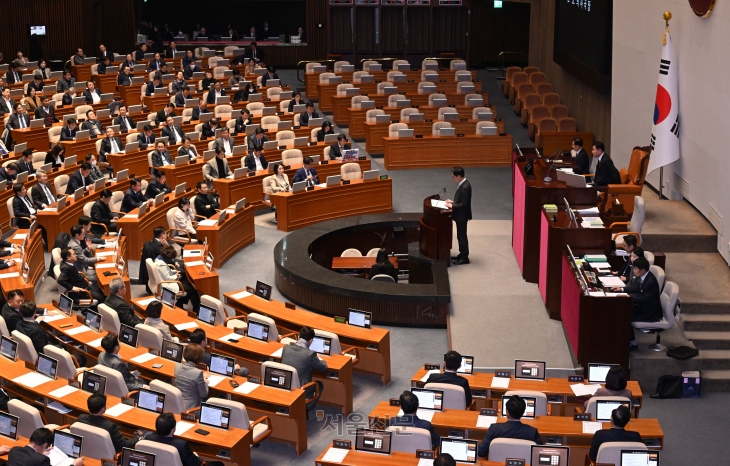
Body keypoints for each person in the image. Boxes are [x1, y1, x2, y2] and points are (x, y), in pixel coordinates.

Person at [281, 326, 328, 417]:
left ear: (299, 336)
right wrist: (320, 358)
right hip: (300, 389)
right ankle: (305, 409)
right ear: (310, 341)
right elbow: (324, 368)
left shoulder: (286, 348)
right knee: (319, 385)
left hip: (285, 385)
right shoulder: (310, 354)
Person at [146, 413, 224, 466]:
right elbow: (195, 463)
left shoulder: (148, 438)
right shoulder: (181, 445)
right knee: (219, 464)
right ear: (173, 429)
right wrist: (197, 456)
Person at [477, 395, 542, 457]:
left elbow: (481, 452)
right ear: (523, 412)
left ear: (507, 412)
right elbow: (540, 453)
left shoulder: (494, 429)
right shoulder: (532, 432)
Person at [623, 257, 662, 350]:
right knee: (622, 311)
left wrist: (628, 297)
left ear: (643, 270)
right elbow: (636, 289)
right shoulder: (643, 276)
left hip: (649, 313)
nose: (634, 271)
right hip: (642, 307)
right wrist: (622, 289)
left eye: (635, 269)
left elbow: (644, 299)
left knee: (625, 317)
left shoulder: (650, 282)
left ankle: (633, 343)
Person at [6, 427, 84, 466]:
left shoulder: (14, 450)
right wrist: (74, 465)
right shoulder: (42, 460)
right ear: (44, 445)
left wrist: (38, 454)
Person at [155, 245, 200, 312]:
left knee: (188, 283)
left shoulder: (159, 259)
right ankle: (196, 310)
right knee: (192, 290)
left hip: (167, 280)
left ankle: (180, 304)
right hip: (167, 284)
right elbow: (168, 278)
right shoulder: (161, 264)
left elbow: (167, 271)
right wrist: (177, 275)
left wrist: (175, 271)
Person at [446, 166, 472, 265]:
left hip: (462, 216)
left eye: (453, 177)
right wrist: (452, 202)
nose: (453, 179)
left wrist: (452, 206)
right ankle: (462, 254)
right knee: (460, 236)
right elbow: (460, 201)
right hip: (459, 215)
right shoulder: (462, 184)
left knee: (462, 236)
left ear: (459, 176)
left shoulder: (466, 186)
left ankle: (465, 258)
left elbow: (464, 204)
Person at [174, 343, 209, 410]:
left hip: (178, 402)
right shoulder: (198, 373)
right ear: (199, 357)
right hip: (192, 406)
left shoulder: (177, 366)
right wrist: (205, 381)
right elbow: (203, 394)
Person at [139, 227, 168, 293]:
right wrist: (166, 246)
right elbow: (170, 257)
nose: (166, 235)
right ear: (162, 235)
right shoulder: (159, 247)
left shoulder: (152, 242)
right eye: (166, 233)